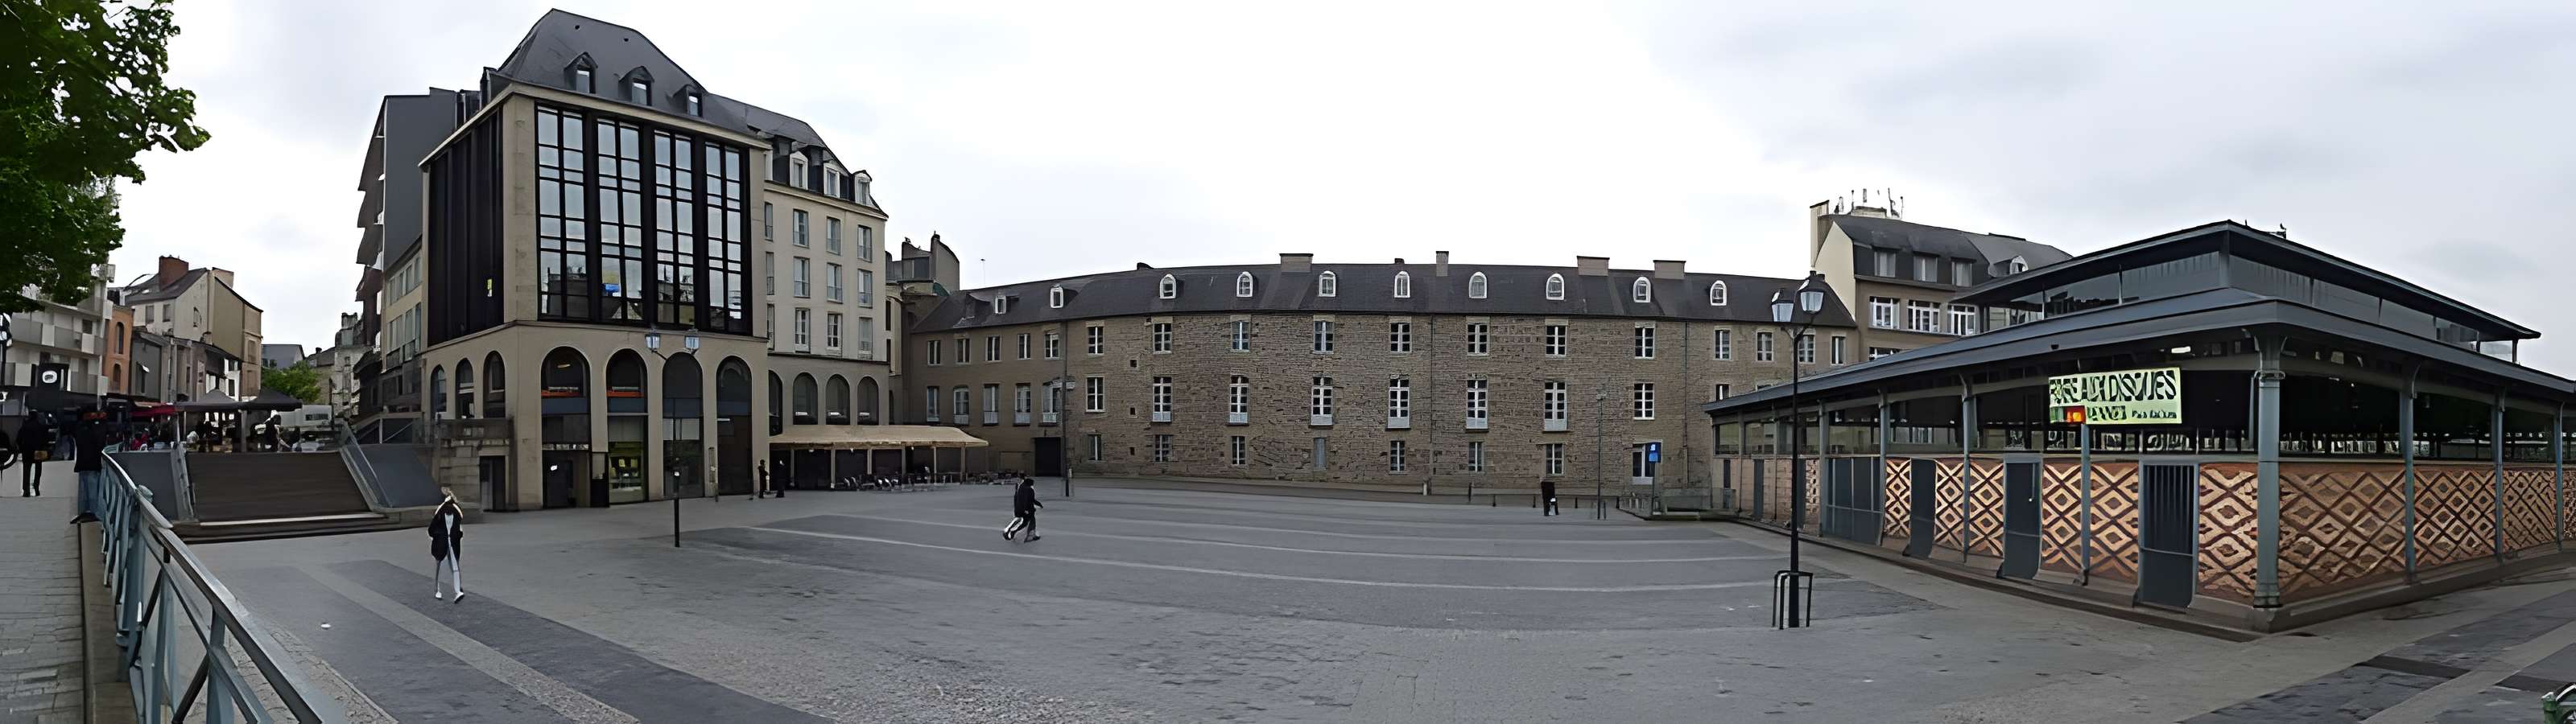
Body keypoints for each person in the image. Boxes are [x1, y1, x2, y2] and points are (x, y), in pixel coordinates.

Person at [428, 487, 465, 602]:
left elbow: (431, 529)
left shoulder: (446, 511)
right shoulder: (448, 511)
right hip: (444, 542)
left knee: (449, 566)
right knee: (450, 566)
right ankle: (440, 590)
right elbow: (432, 529)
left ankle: (456, 590)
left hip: (449, 542)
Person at [71, 415, 106, 524]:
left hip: (82, 464)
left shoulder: (79, 431)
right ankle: (94, 512)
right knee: (93, 489)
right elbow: (100, 445)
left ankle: (83, 511)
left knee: (83, 490)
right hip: (93, 464)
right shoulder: (96, 432)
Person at [15, 418, 52, 498]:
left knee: (26, 470)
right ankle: (36, 488)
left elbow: (18, 439)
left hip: (27, 451)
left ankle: (26, 490)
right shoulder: (41, 426)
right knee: (38, 470)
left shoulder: (24, 427)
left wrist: (22, 448)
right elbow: (46, 440)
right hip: (38, 450)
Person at [1008, 476, 1042, 542]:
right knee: (1032, 521)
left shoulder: (1020, 488)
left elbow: (1017, 499)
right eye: (1032, 484)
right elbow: (1030, 500)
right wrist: (1037, 505)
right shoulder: (1029, 490)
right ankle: (1030, 536)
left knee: (1024, 523)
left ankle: (1014, 531)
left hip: (1019, 509)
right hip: (1028, 509)